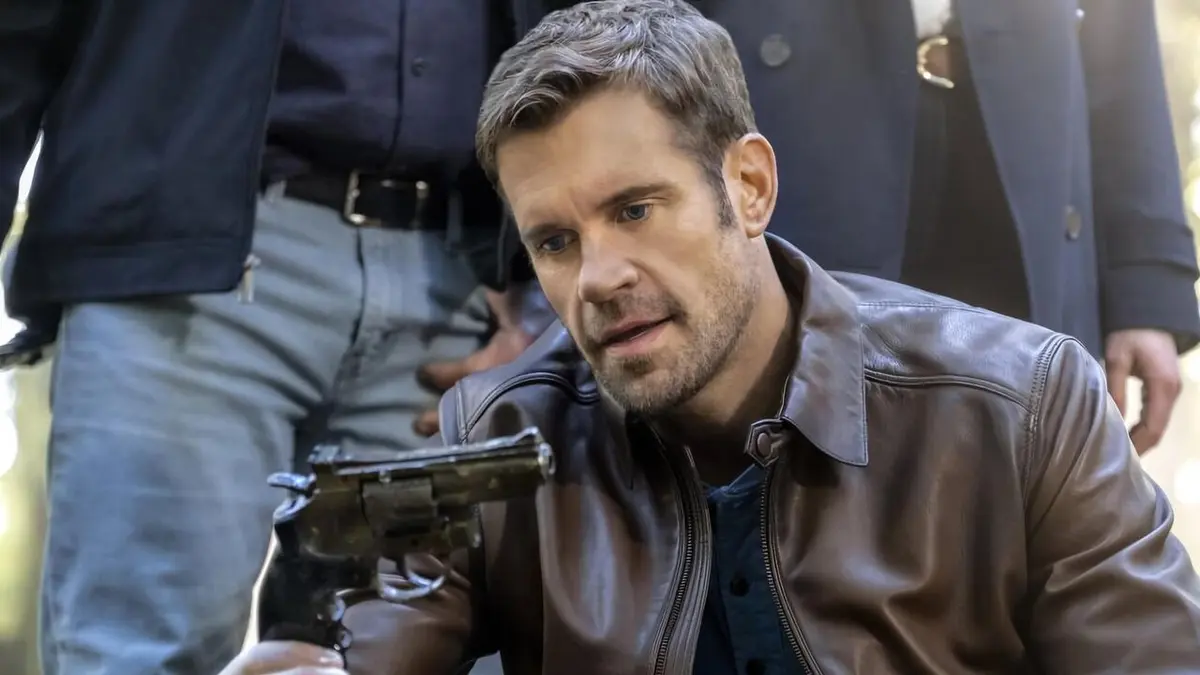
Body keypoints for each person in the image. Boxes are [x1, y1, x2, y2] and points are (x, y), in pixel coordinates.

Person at [225, 2, 1200, 674]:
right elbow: (376, 635)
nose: (597, 277)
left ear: (749, 187)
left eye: (635, 210)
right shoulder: (499, 436)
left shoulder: (1027, 409)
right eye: (555, 241)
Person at [0, 1, 568, 673]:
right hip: (188, 257)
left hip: (467, 280)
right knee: (137, 655)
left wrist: (555, 290)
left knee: (411, 655)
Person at [704, 0, 1200, 455]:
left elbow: (1119, 28)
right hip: (792, 146)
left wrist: (1145, 276)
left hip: (1031, 152)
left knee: (1029, 478)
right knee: (804, 483)